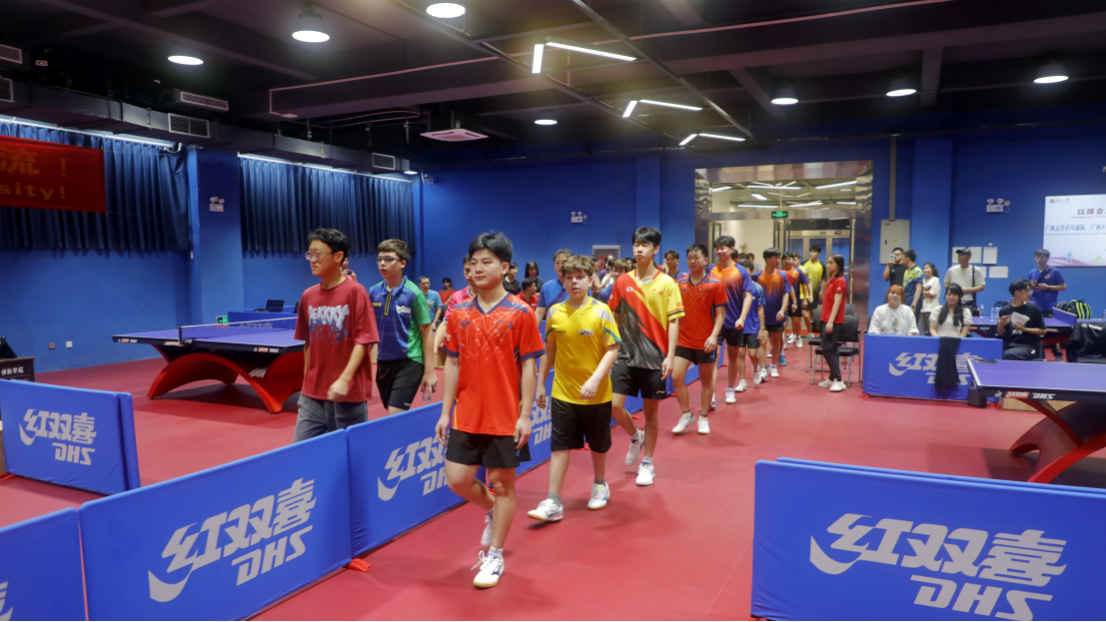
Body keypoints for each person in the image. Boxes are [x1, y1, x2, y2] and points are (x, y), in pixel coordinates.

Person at [436, 232, 544, 589]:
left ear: (505, 267)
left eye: (487, 262)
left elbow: (529, 366)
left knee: (502, 484)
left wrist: (525, 415)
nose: (478, 268)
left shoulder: (521, 312)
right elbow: (452, 363)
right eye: (474, 262)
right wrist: (445, 412)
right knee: (457, 480)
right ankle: (492, 510)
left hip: (504, 416)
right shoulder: (458, 312)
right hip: (466, 414)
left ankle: (495, 555)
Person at [529, 255, 621, 523]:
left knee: (598, 445)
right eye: (569, 278)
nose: (574, 282)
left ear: (590, 279)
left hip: (597, 394)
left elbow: (613, 348)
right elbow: (549, 351)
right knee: (560, 446)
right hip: (563, 392)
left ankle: (600, 484)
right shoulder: (555, 313)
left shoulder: (601, 311)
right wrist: (540, 384)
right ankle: (553, 501)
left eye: (580, 277)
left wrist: (594, 379)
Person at [608, 227, 684, 487]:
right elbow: (614, 318)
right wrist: (610, 350)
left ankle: (647, 463)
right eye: (636, 244)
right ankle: (635, 436)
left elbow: (673, 321)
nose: (639, 249)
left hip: (655, 358)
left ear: (655, 249)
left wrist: (670, 355)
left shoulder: (667, 283)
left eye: (645, 245)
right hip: (625, 356)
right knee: (614, 406)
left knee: (651, 413)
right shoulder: (622, 282)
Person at [293, 229, 380, 442]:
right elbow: (308, 342)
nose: (312, 259)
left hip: (347, 394)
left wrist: (344, 379)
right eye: (310, 254)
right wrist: (306, 382)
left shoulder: (356, 292)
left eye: (318, 254)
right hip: (312, 395)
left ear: (338, 256)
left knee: (350, 453)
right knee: (300, 452)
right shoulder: (308, 296)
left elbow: (364, 341)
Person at [368, 240, 437, 415]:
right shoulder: (373, 292)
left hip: (410, 360)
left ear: (402, 263)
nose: (382, 263)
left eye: (388, 259)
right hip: (383, 361)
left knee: (394, 412)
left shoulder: (414, 293)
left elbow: (427, 332)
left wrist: (429, 371)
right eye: (379, 259)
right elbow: (369, 330)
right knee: (391, 413)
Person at [671, 243, 727, 435]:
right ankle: (687, 414)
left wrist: (713, 336)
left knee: (706, 380)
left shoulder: (715, 284)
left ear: (705, 260)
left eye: (696, 257)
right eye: (689, 258)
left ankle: (703, 417)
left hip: (706, 341)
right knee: (676, 377)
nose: (692, 261)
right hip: (683, 340)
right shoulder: (679, 283)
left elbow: (720, 315)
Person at [709, 236, 754, 405]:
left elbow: (747, 296)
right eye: (718, 248)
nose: (720, 251)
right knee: (713, 358)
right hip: (715, 323)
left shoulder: (741, 271)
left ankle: (730, 389)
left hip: (735, 322)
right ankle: (711, 394)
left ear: (732, 249)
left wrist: (742, 318)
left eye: (723, 248)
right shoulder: (710, 270)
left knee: (733, 357)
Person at [753, 248, 792, 378]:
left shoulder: (782, 276)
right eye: (775, 258)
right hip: (762, 316)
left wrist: (782, 309)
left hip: (777, 315)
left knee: (776, 342)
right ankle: (763, 367)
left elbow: (786, 294)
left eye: (778, 258)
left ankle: (773, 365)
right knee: (762, 341)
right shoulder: (757, 276)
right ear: (768, 259)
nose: (778, 261)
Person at [1028, 249, 1066, 360]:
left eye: (1042, 257)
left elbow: (1063, 287)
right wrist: (1032, 286)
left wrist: (1048, 287)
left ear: (1047, 258)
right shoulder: (1032, 273)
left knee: (1051, 331)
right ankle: (1040, 354)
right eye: (1037, 257)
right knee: (1036, 331)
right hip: (1035, 306)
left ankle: (1057, 355)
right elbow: (1028, 289)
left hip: (1049, 306)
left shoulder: (1055, 271)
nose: (1039, 260)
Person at [736, 259, 767, 392]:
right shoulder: (736, 287)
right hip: (739, 326)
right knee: (740, 353)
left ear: (751, 271)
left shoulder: (757, 288)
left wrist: (762, 329)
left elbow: (760, 309)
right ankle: (742, 380)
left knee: (752, 353)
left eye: (745, 271)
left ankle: (756, 368)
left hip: (753, 326)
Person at [818, 254, 848, 393]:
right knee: (832, 349)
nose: (828, 265)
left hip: (833, 321)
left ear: (838, 265)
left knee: (828, 349)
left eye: (831, 263)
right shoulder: (831, 280)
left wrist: (830, 321)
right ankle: (832, 377)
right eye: (828, 262)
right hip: (825, 319)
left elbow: (837, 302)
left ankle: (838, 380)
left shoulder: (840, 281)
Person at [997, 279, 1047, 361]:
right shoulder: (1004, 310)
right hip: (1008, 344)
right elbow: (1002, 334)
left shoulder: (1034, 309)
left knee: (1008, 354)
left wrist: (1024, 329)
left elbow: (1043, 331)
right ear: (1017, 292)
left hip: (1028, 346)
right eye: (1027, 290)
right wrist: (1000, 327)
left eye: (1030, 290)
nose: (1030, 293)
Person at [944, 248, 986, 316]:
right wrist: (954, 289)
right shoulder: (951, 270)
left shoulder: (975, 270)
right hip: (953, 303)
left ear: (969, 257)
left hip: (968, 303)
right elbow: (946, 284)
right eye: (959, 255)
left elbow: (982, 286)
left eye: (963, 255)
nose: (960, 257)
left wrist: (965, 289)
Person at [535, 249, 573, 323]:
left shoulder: (579, 285)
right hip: (553, 328)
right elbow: (539, 312)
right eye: (557, 263)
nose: (560, 266)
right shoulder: (546, 287)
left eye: (564, 262)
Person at [785, 253, 810, 348]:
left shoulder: (798, 271)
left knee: (796, 321)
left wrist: (805, 299)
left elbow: (804, 285)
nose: (787, 261)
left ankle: (798, 337)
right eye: (785, 259)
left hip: (795, 300)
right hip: (783, 301)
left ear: (793, 260)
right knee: (784, 323)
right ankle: (784, 341)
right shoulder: (780, 272)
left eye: (789, 259)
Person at [801, 246, 827, 338]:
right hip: (803, 293)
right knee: (805, 313)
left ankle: (811, 331)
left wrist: (821, 293)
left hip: (815, 292)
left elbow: (824, 280)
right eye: (811, 251)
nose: (812, 253)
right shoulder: (804, 263)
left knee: (811, 311)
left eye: (814, 252)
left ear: (818, 253)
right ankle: (809, 331)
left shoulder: (821, 265)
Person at [901, 250, 923, 322]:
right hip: (905, 304)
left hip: (913, 305)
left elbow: (918, 289)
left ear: (907, 259)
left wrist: (914, 305)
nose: (902, 261)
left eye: (903, 258)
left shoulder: (917, 271)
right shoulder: (906, 271)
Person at [920, 263, 941, 334]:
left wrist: (922, 293)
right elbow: (917, 293)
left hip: (932, 309)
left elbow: (931, 293)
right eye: (924, 268)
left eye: (927, 268)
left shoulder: (935, 280)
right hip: (922, 309)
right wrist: (925, 294)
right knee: (923, 331)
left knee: (931, 331)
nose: (925, 270)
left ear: (933, 270)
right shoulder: (922, 281)